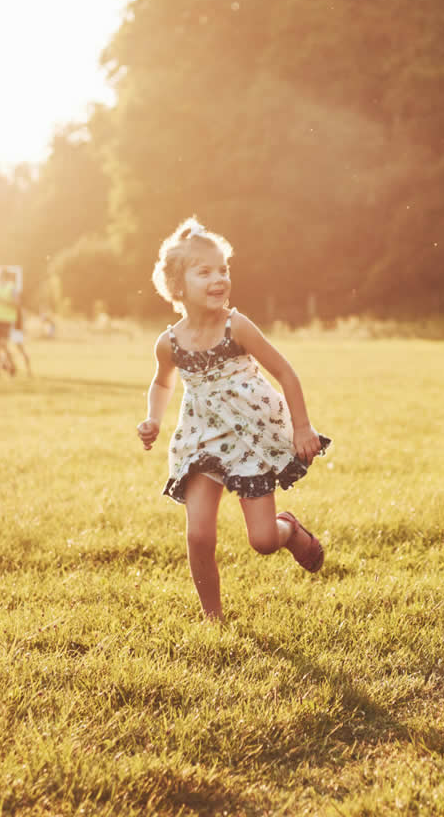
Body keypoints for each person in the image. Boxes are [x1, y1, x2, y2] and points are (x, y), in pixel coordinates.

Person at [137, 217, 329, 622]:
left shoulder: (237, 326)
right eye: (204, 272)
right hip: (201, 439)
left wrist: (302, 427)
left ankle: (289, 530)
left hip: (250, 438)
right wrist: (153, 418)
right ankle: (213, 617)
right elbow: (162, 383)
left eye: (222, 269)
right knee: (198, 533)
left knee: (261, 541)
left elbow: (285, 372)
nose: (217, 279)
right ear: (177, 286)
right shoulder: (169, 342)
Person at [0, 268, 18, 376]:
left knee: (3, 344)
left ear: (4, 276)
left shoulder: (12, 287)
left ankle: (12, 365)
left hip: (6, 320)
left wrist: (2, 300)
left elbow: (16, 304)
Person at [11, 300, 33, 375]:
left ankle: (27, 370)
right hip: (17, 332)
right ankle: (13, 368)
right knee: (20, 352)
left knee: (21, 352)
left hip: (15, 332)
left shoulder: (16, 309)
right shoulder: (19, 309)